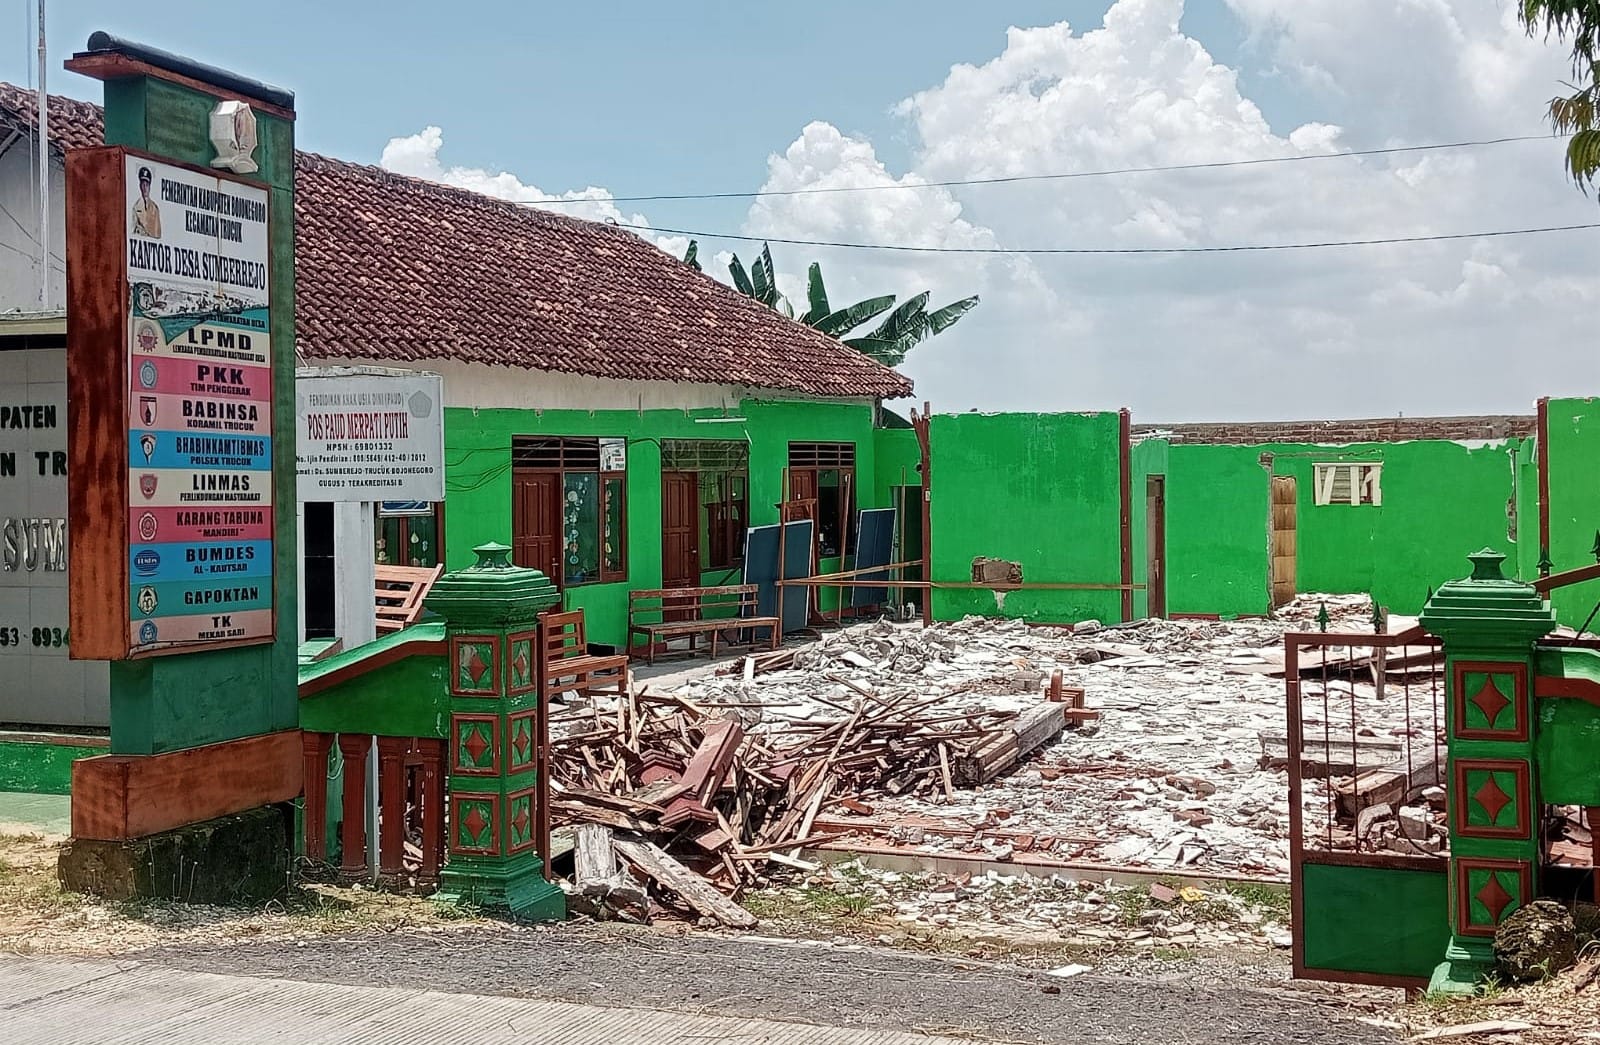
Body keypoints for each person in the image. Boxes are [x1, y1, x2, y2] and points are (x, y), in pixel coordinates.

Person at [132, 166, 161, 238]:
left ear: (150, 187)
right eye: (143, 184)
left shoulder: (155, 208)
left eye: (147, 185)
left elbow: (158, 235)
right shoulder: (136, 207)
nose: (145, 188)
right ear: (140, 186)